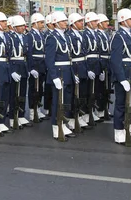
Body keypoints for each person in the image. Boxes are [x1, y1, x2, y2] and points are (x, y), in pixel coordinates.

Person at [45, 11, 76, 140]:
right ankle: (56, 127)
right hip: (59, 73)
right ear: (56, 23)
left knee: (66, 101)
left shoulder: (66, 36)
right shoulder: (52, 38)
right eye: (63, 21)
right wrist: (54, 77)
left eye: (65, 21)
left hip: (67, 72)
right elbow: (49, 59)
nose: (65, 23)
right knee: (58, 102)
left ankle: (63, 123)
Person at [110, 9, 131, 145]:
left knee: (130, 104)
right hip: (124, 75)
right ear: (123, 20)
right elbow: (116, 60)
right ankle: (119, 132)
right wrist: (121, 79)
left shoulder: (130, 35)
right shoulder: (118, 36)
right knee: (121, 105)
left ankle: (126, 130)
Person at [66, 12, 89, 130]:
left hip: (82, 66)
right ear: (73, 23)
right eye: (79, 21)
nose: (82, 23)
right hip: (74, 66)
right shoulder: (68, 36)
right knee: (73, 94)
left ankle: (79, 115)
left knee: (82, 93)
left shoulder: (82, 35)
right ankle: (71, 118)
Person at [8, 15, 31, 128]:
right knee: (13, 94)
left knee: (22, 93)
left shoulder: (26, 37)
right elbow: (7, 56)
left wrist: (30, 68)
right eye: (20, 26)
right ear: (14, 27)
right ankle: (13, 117)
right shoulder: (10, 38)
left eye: (23, 25)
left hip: (23, 67)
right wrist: (11, 71)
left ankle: (21, 115)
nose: (23, 27)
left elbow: (29, 54)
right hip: (14, 66)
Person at [83, 12, 103, 123]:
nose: (97, 23)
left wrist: (99, 69)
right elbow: (84, 53)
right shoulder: (84, 34)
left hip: (96, 64)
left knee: (94, 90)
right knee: (87, 91)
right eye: (95, 21)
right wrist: (87, 69)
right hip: (89, 64)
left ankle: (91, 111)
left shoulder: (95, 34)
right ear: (89, 22)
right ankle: (86, 113)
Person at [27, 13, 47, 122]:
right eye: (41, 22)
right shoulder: (30, 35)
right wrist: (30, 68)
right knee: (33, 89)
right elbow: (29, 53)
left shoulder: (41, 35)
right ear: (35, 23)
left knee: (40, 89)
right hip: (35, 65)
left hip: (42, 65)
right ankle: (32, 111)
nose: (43, 24)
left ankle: (38, 109)